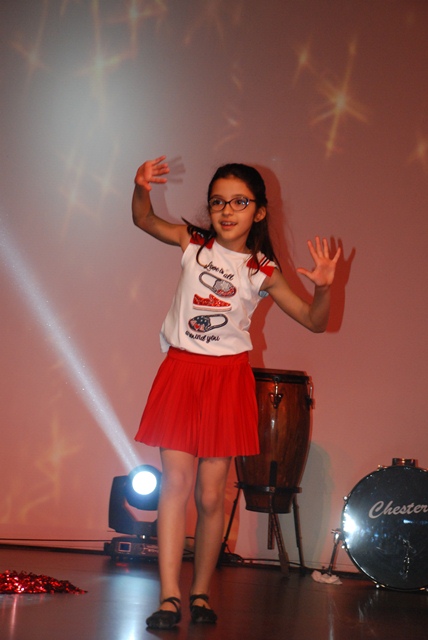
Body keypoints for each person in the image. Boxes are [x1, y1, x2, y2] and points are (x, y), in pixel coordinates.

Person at [132, 155, 341, 630]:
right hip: (182, 371)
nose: (227, 211)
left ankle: (200, 593)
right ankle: (169, 597)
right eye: (218, 202)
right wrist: (141, 188)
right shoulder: (194, 242)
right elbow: (144, 219)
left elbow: (314, 321)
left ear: (259, 211)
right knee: (174, 485)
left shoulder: (261, 269)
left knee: (210, 497)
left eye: (240, 202)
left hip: (227, 379)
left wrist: (325, 289)